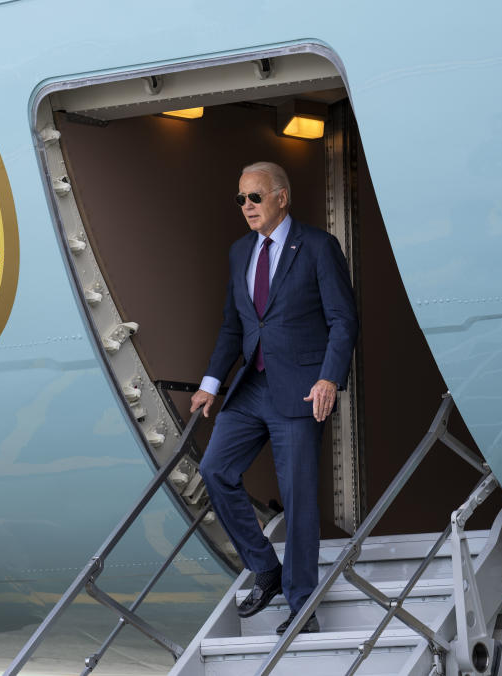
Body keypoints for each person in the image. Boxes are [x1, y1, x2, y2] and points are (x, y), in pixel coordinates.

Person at [190, 161, 358, 634]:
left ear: (282, 197)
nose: (246, 207)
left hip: (303, 389)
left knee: (298, 498)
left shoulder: (319, 247)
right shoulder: (239, 251)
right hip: (252, 387)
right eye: (240, 199)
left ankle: (303, 608)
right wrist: (210, 382)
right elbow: (233, 325)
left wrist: (329, 379)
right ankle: (265, 568)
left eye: (255, 197)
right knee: (214, 469)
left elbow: (343, 320)